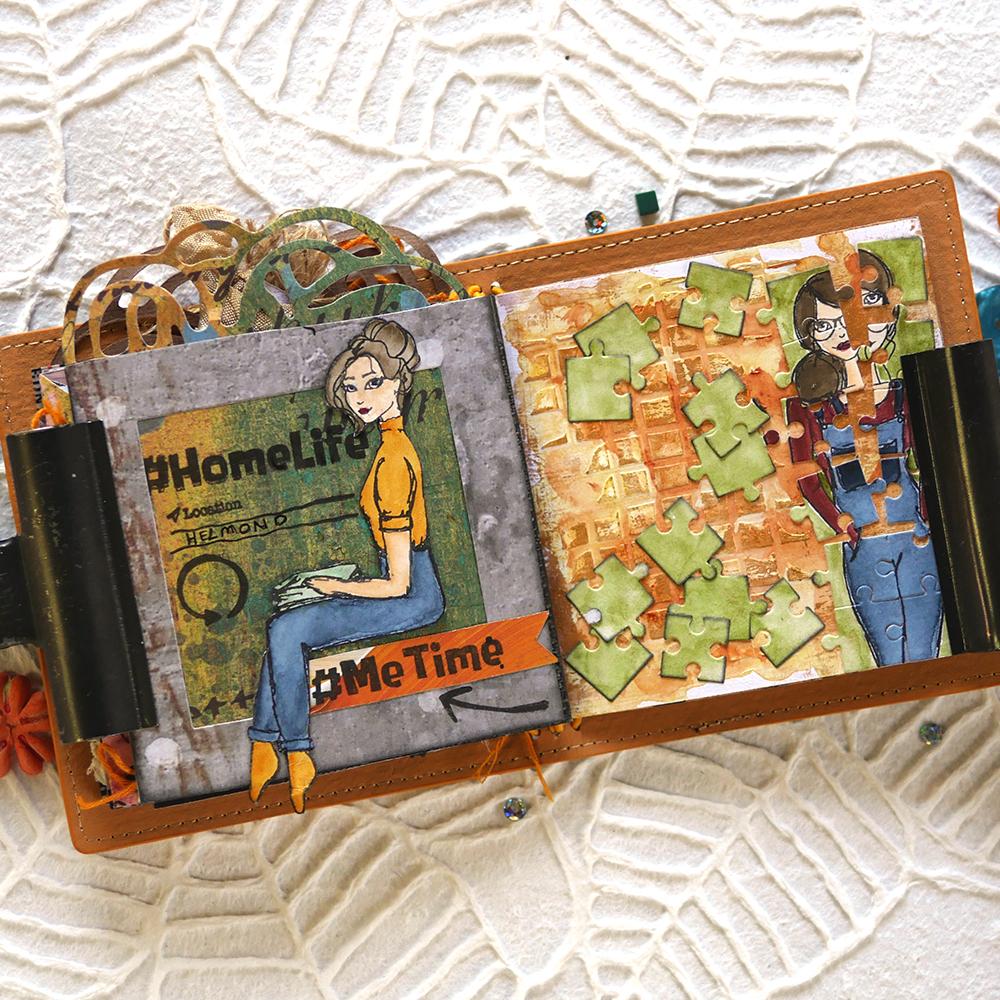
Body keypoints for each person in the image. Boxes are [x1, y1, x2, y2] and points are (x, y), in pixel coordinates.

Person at [247, 318, 445, 811]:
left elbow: (398, 585)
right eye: (351, 387)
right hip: (401, 583)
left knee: (288, 630)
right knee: (283, 631)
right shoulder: (390, 445)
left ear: (399, 383)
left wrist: (333, 588)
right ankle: (265, 747)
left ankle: (296, 753)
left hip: (415, 597)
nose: (360, 397)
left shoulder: (394, 461)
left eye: (373, 383)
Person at [786, 249, 942, 666]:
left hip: (917, 536)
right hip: (863, 543)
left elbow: (930, 460)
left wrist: (929, 515)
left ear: (888, 315)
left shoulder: (905, 391)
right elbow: (805, 479)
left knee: (927, 648)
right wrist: (842, 523)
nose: (843, 331)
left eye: (856, 314)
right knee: (890, 656)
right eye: (825, 324)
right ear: (810, 336)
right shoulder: (807, 406)